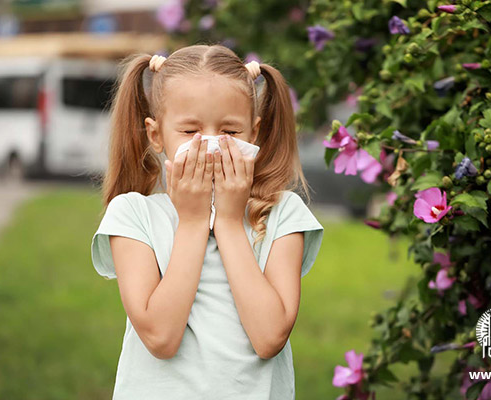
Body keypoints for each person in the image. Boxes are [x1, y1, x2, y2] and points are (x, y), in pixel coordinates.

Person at [90, 44, 324, 399]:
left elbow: (269, 337)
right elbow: (161, 337)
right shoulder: (132, 216)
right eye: (189, 131)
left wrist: (230, 223)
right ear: (156, 135)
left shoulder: (283, 214)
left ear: (254, 132)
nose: (212, 145)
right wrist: (193, 222)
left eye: (230, 132)